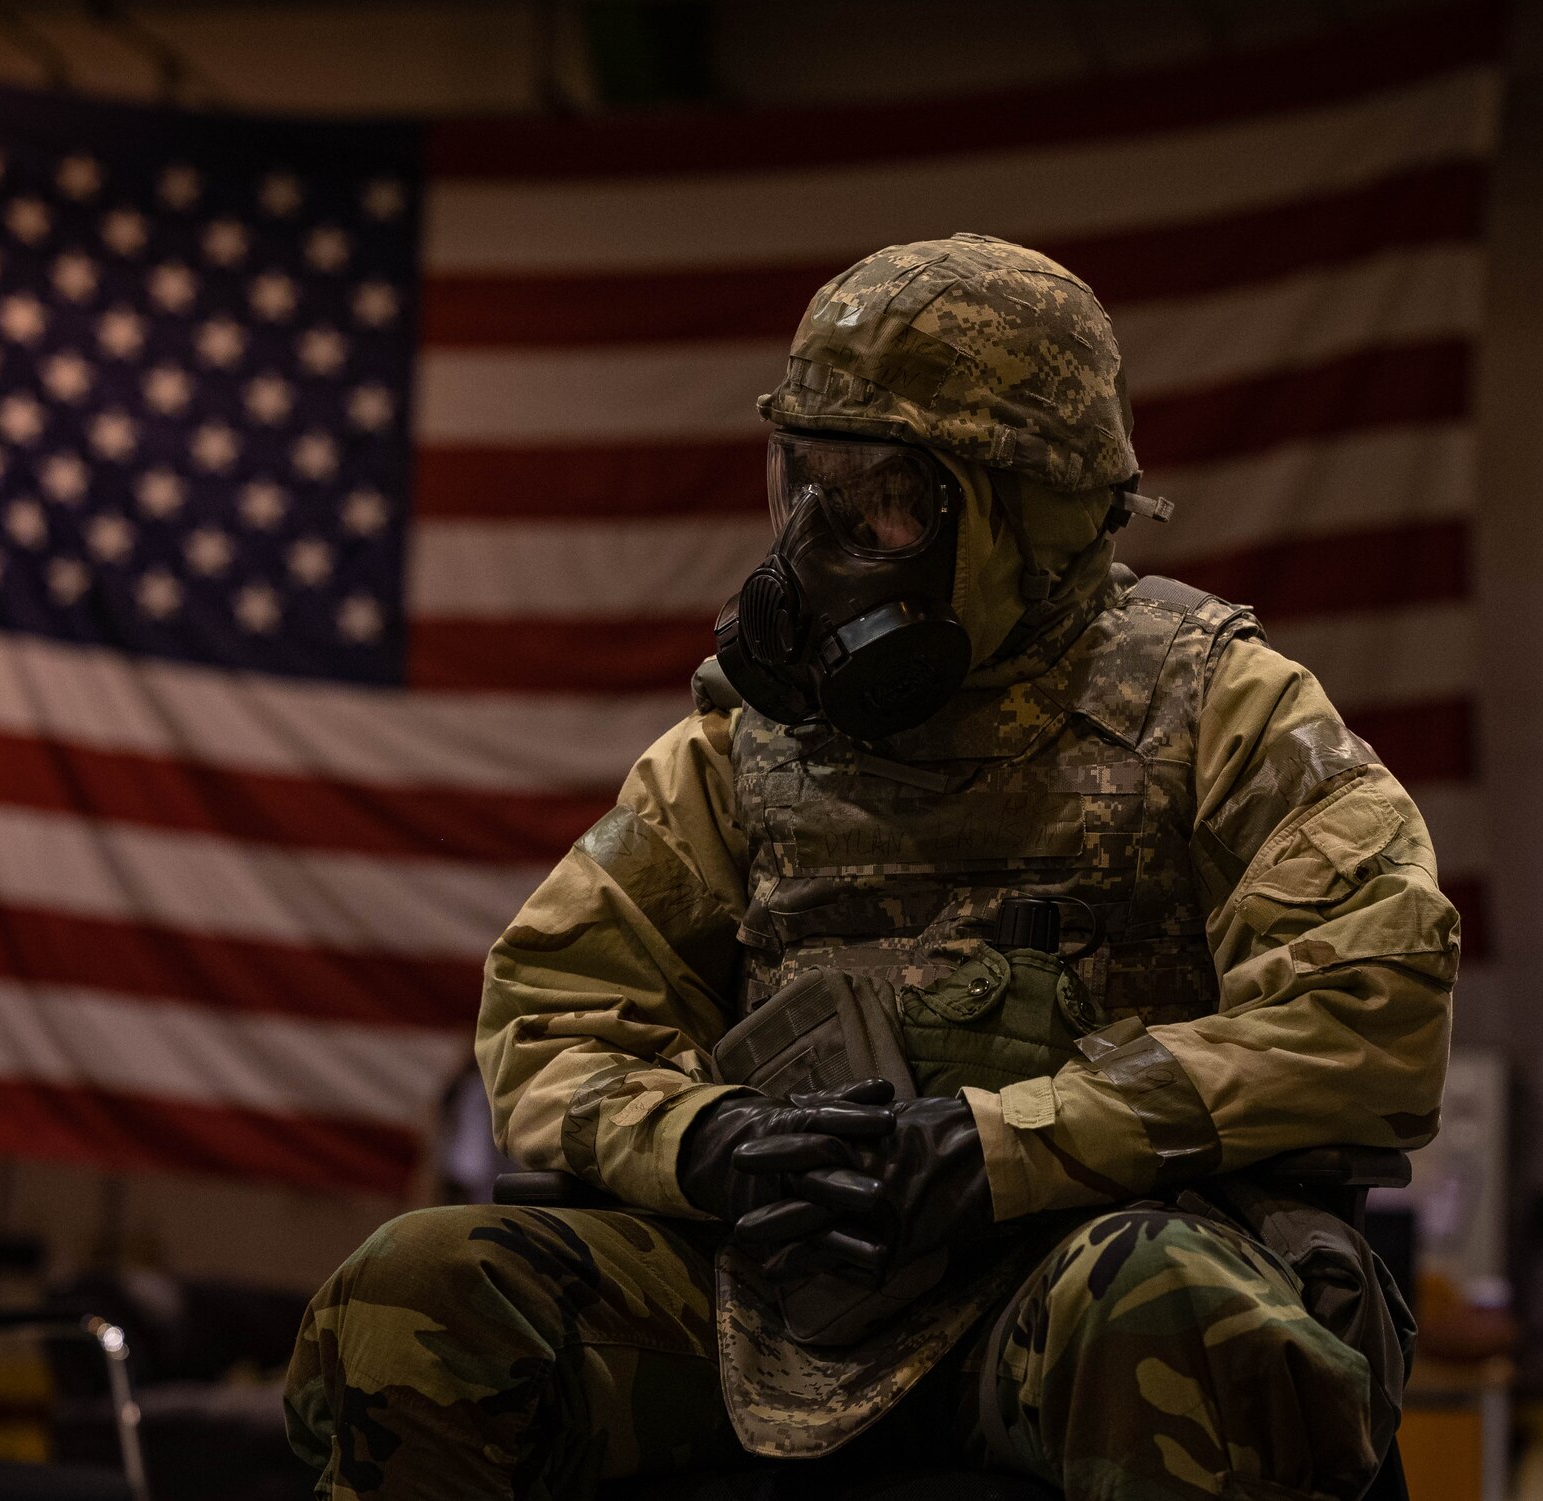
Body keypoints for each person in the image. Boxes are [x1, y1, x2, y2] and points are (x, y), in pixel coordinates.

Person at [284, 234, 1459, 1501]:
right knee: (417, 1292)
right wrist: (709, 1140)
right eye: (804, 483)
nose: (819, 542)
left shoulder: (1223, 713)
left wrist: (1000, 1147)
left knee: (1174, 1308)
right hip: (782, 1297)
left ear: (1025, 516)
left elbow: (1363, 1012)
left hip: (1073, 1284)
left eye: (882, 499)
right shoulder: (736, 750)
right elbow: (552, 1011)